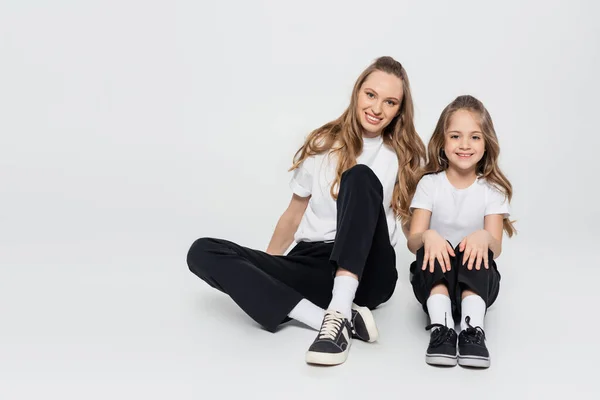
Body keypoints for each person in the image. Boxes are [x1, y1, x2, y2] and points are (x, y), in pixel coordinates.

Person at [187, 56, 426, 366]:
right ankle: (329, 319)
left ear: (399, 110)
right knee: (202, 251)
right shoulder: (324, 143)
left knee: (359, 175)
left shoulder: (404, 156)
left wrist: (429, 240)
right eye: (370, 95)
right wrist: (267, 269)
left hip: (370, 271)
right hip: (312, 261)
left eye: (390, 102)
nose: (377, 108)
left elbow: (410, 222)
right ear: (357, 93)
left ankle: (339, 308)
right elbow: (293, 214)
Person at [407, 95, 515, 368]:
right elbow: (413, 241)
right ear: (443, 142)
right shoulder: (430, 184)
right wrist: (428, 236)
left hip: (476, 280)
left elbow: (496, 248)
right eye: (456, 136)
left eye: (475, 137)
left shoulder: (493, 190)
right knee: (431, 246)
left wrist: (484, 237)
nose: (465, 145)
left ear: (486, 143)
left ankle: (472, 331)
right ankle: (441, 329)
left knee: (477, 247)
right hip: (435, 277)